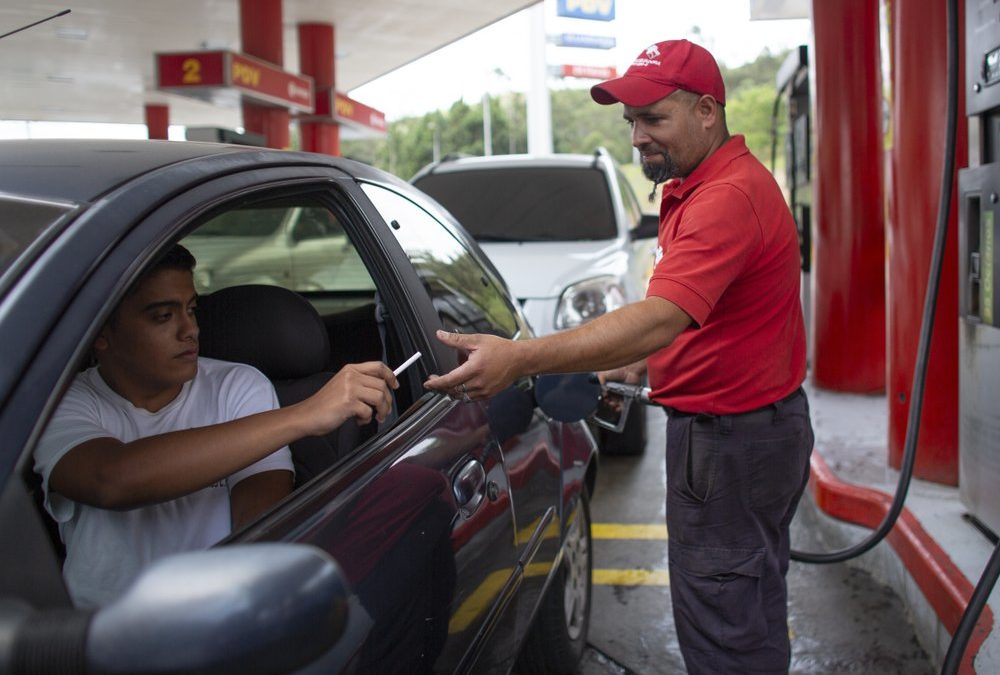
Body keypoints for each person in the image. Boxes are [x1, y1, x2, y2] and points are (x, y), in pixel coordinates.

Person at [424, 39, 814, 674]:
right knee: (747, 606)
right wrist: (635, 364)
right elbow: (709, 318)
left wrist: (524, 359)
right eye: (631, 121)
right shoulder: (703, 184)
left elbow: (660, 315)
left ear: (708, 112)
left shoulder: (725, 198)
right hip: (753, 433)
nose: (637, 137)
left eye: (654, 119)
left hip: (730, 446)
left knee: (723, 630)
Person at [33, 244, 398, 608]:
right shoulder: (62, 403)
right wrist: (305, 414)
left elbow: (260, 522)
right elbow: (108, 479)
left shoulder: (238, 385)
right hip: (99, 635)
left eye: (191, 310)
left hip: (221, 614)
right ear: (100, 332)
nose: (189, 329)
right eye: (163, 316)